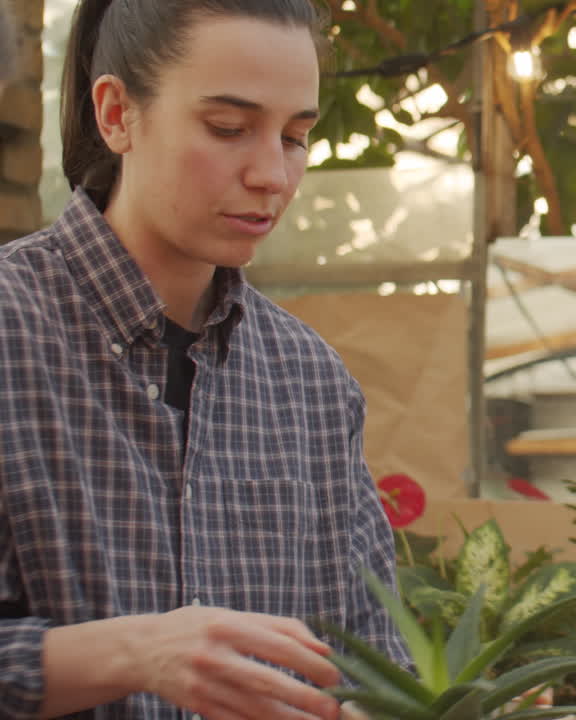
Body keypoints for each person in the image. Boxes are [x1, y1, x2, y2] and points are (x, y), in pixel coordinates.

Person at [0, 1, 409, 718]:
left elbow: (376, 662)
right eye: (228, 129)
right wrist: (138, 653)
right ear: (117, 113)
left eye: (294, 137)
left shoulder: (310, 384)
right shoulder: (14, 334)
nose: (271, 175)